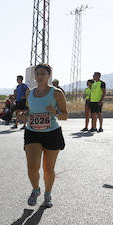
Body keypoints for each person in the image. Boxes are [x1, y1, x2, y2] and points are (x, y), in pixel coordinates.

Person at [23, 64, 68, 208]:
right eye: (37, 74)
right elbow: (30, 110)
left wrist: (54, 112)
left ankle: (48, 194)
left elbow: (65, 115)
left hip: (52, 133)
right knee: (32, 167)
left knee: (48, 168)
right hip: (32, 132)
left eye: (43, 73)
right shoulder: (29, 93)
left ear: (49, 75)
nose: (39, 76)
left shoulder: (56, 93)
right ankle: (36, 190)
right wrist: (26, 115)